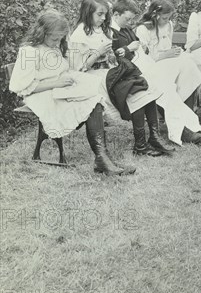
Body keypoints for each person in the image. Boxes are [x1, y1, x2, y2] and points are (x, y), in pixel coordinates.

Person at [9, 10, 135, 175]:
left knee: (95, 98)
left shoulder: (52, 47)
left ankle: (103, 158)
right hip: (40, 95)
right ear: (42, 33)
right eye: (55, 38)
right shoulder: (29, 51)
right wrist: (56, 83)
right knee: (92, 103)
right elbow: (21, 87)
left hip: (59, 90)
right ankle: (102, 159)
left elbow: (61, 69)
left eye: (60, 38)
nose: (57, 42)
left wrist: (72, 79)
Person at [70, 0, 174, 158]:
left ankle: (153, 138)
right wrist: (97, 54)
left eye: (105, 14)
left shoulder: (100, 30)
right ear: (87, 12)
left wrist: (112, 55)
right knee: (133, 89)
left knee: (145, 87)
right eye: (99, 14)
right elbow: (76, 69)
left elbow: (110, 57)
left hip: (108, 71)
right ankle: (140, 145)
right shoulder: (79, 35)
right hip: (92, 77)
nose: (104, 18)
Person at [111, 0, 201, 145]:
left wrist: (142, 49)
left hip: (141, 66)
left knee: (168, 86)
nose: (131, 22)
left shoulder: (126, 29)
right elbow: (116, 58)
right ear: (116, 15)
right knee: (163, 88)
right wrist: (130, 49)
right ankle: (182, 131)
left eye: (132, 19)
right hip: (127, 73)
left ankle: (190, 126)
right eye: (128, 19)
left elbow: (141, 50)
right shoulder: (111, 32)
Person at [134, 0, 201, 109]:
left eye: (169, 18)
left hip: (167, 61)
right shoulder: (143, 29)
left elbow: (167, 45)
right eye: (165, 18)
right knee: (184, 67)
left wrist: (173, 50)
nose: (167, 21)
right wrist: (165, 55)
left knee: (188, 63)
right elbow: (144, 58)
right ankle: (178, 109)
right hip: (152, 65)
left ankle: (187, 110)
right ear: (155, 15)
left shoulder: (169, 25)